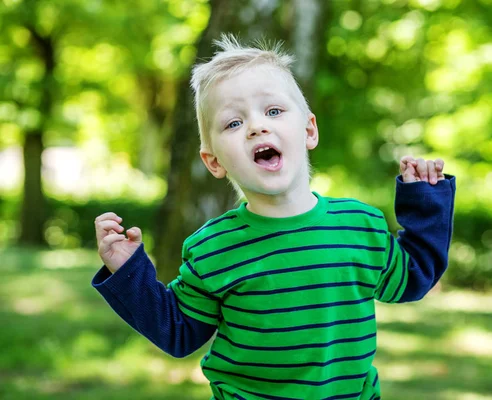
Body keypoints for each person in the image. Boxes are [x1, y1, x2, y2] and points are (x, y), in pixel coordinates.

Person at [92, 34, 456, 400]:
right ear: (214, 161)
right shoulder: (212, 249)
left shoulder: (359, 226)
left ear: (309, 130)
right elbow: (177, 332)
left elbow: (414, 276)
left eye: (274, 111)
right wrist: (126, 271)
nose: (256, 126)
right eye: (233, 123)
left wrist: (425, 200)